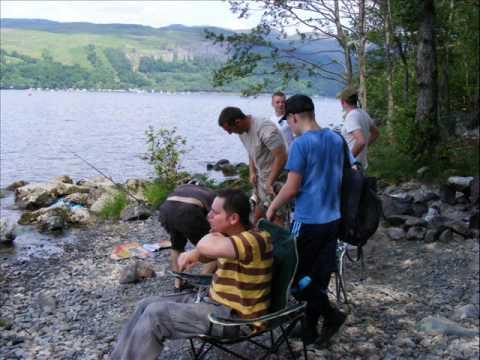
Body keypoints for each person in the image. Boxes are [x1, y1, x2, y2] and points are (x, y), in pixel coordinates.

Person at [111, 189, 273, 360]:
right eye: (210, 210)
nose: (208, 215)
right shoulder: (230, 238)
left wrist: (197, 249)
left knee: (157, 313)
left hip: (235, 319)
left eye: (215, 212)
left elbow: (205, 245)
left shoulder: (254, 240)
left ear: (233, 219)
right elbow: (206, 254)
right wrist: (196, 254)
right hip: (213, 303)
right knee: (146, 304)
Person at [266, 94, 347, 347]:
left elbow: (291, 188)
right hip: (333, 217)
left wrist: (272, 208)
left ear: (293, 117)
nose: (289, 125)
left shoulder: (301, 144)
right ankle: (310, 329)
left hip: (309, 220)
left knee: (294, 276)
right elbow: (349, 170)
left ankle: (331, 316)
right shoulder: (336, 138)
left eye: (288, 121)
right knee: (318, 275)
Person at [218, 106, 288, 223]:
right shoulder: (242, 132)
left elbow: (282, 157)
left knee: (276, 216)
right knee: (256, 216)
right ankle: (258, 238)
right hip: (262, 179)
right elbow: (251, 151)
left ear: (238, 122)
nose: (230, 133)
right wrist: (252, 171)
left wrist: (270, 181)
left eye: (230, 129)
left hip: (278, 179)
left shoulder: (265, 130)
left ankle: (279, 240)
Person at [158, 183, 216, 290]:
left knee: (177, 245)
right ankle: (202, 282)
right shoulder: (213, 195)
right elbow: (215, 219)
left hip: (166, 209)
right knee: (212, 247)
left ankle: (178, 283)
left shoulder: (184, 188)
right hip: (188, 211)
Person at [338, 86, 380, 170]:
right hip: (360, 165)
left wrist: (348, 160)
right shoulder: (362, 113)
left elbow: (361, 141)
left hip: (353, 167)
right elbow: (376, 133)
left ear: (342, 102)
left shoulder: (351, 116)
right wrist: (364, 147)